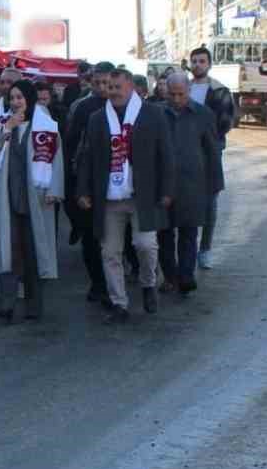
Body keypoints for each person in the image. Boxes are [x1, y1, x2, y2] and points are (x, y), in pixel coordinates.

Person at [75, 65, 176, 324]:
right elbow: (86, 157)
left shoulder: (152, 114)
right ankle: (119, 303)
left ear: (130, 86)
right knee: (110, 252)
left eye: (117, 87)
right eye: (109, 87)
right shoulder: (98, 119)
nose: (112, 92)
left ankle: (148, 283)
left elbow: (166, 154)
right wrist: (83, 190)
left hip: (142, 195)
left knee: (145, 246)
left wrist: (166, 190)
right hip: (109, 197)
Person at [0, 79, 64, 322]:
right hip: (7, 200)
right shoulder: (4, 123)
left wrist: (55, 189)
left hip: (36, 199)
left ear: (29, 100)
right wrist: (6, 130)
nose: (15, 102)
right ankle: (7, 305)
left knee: (33, 253)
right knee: (8, 253)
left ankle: (34, 305)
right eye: (12, 98)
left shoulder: (46, 125)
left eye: (19, 98)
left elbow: (57, 159)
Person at [157, 70, 224, 296]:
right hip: (163, 186)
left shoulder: (203, 114)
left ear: (189, 91)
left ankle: (186, 277)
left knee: (188, 233)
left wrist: (214, 184)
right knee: (164, 234)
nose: (176, 100)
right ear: (166, 90)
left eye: (181, 94)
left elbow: (212, 151)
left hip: (192, 185)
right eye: (172, 94)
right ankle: (169, 276)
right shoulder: (156, 114)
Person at [61, 63, 110, 304]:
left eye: (106, 83)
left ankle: (113, 283)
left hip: (115, 183)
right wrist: (74, 181)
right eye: (97, 82)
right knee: (91, 238)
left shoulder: (120, 104)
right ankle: (98, 283)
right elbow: (71, 145)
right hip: (87, 181)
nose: (102, 88)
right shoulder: (81, 108)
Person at [186, 46, 236, 269]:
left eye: (202, 61)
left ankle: (204, 250)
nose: (198, 64)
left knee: (209, 203)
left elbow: (224, 124)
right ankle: (184, 250)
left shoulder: (219, 91)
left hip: (208, 155)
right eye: (194, 61)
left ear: (209, 64)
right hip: (182, 155)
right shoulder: (181, 87)